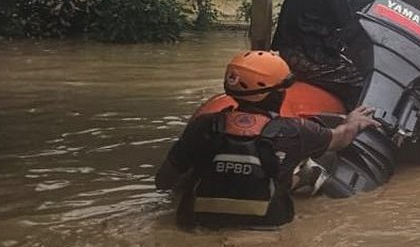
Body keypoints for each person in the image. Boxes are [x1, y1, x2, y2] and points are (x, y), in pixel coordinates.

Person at [155, 51, 377, 229]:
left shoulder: (202, 125)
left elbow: (163, 182)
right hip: (267, 224)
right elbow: (341, 139)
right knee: (325, 156)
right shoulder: (296, 131)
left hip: (197, 224)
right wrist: (352, 121)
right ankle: (304, 176)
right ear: (278, 93)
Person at [272, 0, 363, 104]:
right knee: (357, 81)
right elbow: (314, 28)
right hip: (302, 54)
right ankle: (350, 126)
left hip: (307, 50)